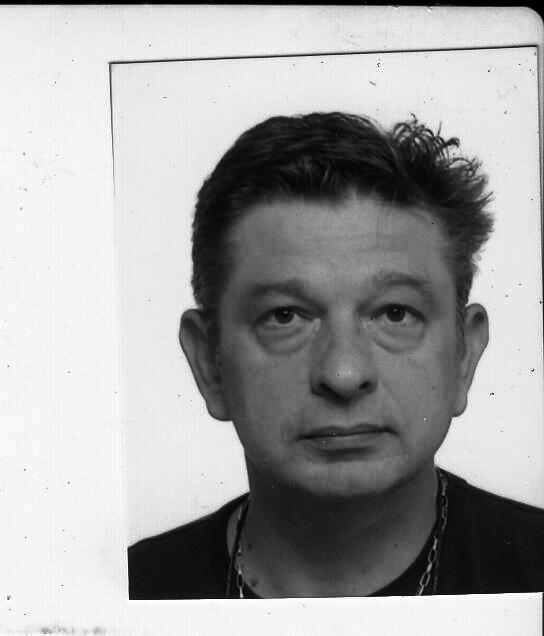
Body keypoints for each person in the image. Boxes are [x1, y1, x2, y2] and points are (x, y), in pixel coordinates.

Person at [128, 111, 544, 599]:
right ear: (208, 363)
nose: (344, 374)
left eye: (395, 313)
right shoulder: (122, 593)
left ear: (464, 355)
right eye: (285, 316)